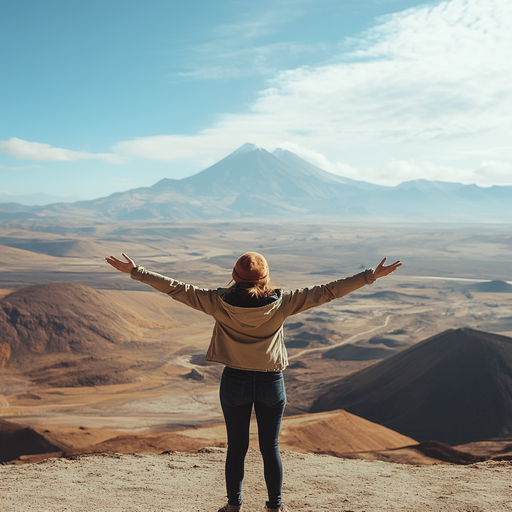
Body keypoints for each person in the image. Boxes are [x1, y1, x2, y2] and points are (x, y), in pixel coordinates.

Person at [106, 251, 402, 512]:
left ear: (234, 277)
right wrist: (370, 276)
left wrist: (136, 271)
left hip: (234, 380)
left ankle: (234, 506)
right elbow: (328, 291)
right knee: (269, 446)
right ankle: (275, 507)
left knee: (237, 447)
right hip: (272, 382)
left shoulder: (216, 301)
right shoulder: (283, 302)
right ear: (265, 279)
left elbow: (177, 289)